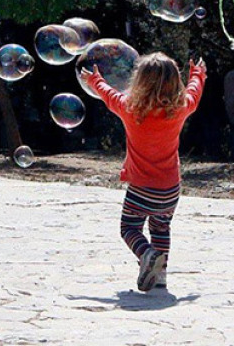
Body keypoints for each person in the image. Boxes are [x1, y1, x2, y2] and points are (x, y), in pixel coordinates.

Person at [81, 53, 207, 293]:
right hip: (170, 189)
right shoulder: (180, 108)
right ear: (175, 82)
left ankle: (146, 254)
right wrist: (198, 74)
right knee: (161, 228)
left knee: (129, 228)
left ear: (139, 81)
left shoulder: (129, 108)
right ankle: (160, 276)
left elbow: (108, 95)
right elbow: (195, 93)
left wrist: (95, 80)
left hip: (141, 188)